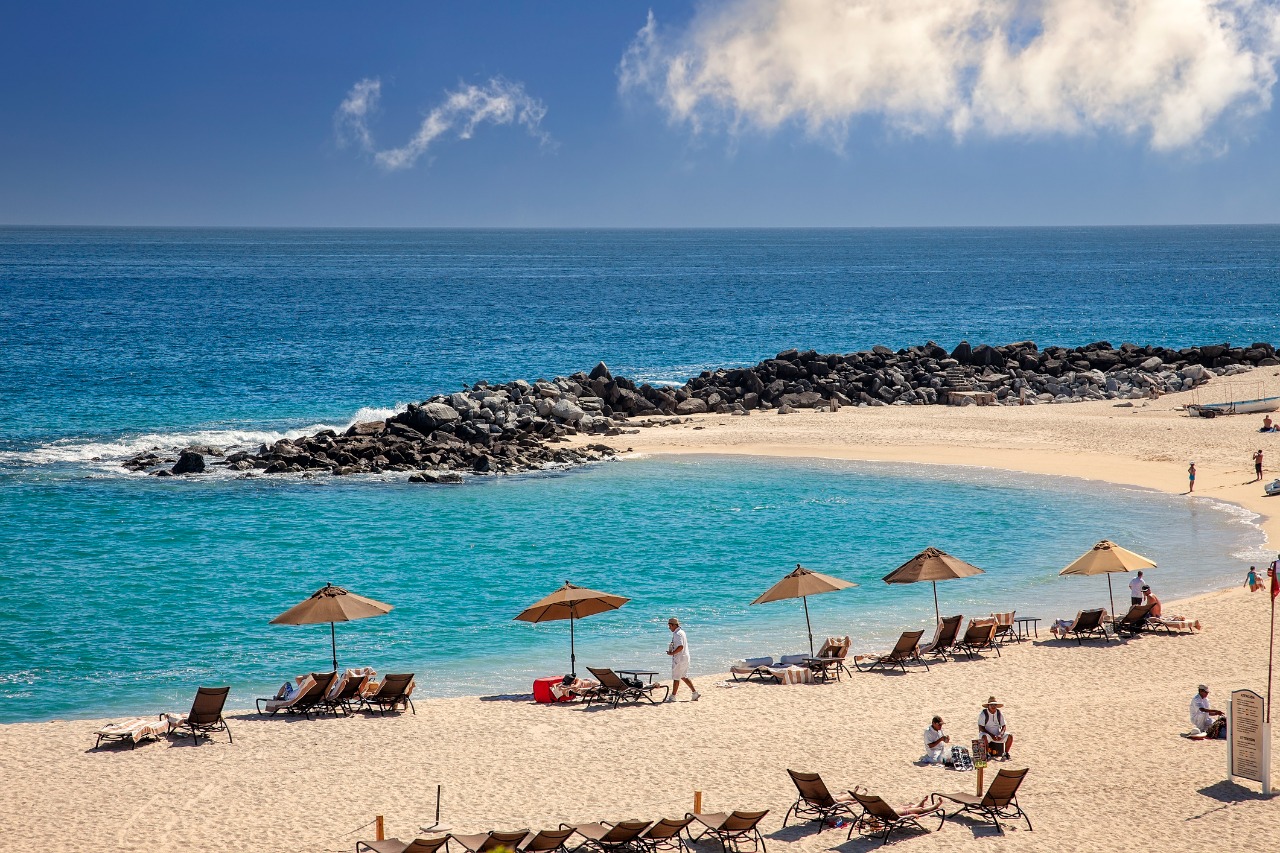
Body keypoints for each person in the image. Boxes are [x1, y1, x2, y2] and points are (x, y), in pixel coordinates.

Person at [664, 617, 699, 702]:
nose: (669, 628)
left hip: (680, 658)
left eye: (670, 626)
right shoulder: (682, 632)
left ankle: (673, 696)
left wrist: (672, 653)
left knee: (676, 677)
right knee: (683, 676)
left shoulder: (677, 634)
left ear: (673, 625)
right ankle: (695, 693)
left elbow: (680, 646)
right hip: (685, 657)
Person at [850, 787, 943, 817]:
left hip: (893, 811)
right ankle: (935, 806)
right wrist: (912, 816)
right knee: (919, 810)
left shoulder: (875, 811)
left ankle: (919, 803)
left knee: (911, 807)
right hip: (896, 814)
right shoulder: (880, 808)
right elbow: (901, 816)